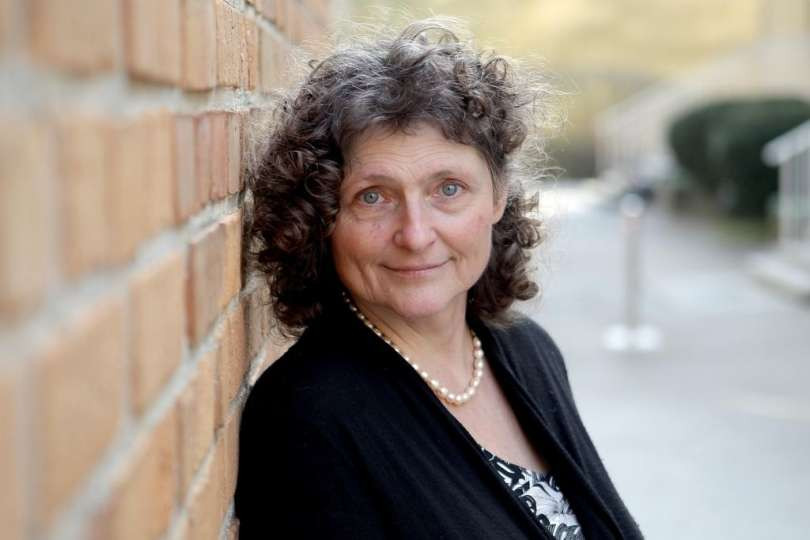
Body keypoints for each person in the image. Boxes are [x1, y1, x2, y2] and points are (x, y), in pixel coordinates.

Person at [234, 18, 643, 540]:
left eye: (448, 189)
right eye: (372, 197)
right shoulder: (307, 417)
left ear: (497, 196)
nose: (415, 234)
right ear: (322, 218)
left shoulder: (528, 349)